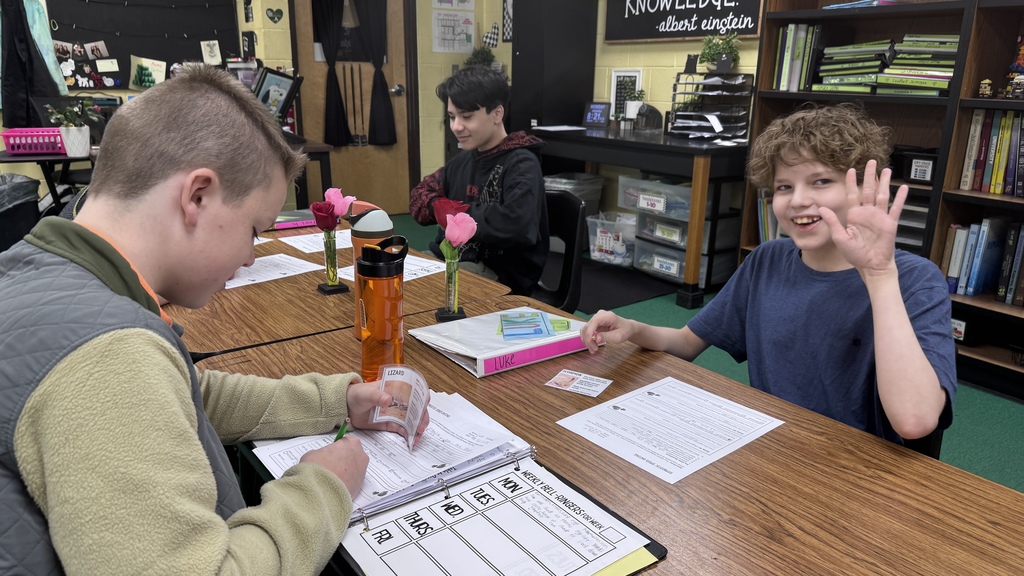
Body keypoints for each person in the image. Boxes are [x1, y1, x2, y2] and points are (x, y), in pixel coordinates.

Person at [0, 64, 429, 574]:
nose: (250, 255)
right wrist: (321, 486)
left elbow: (185, 394)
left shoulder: (44, 271)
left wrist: (337, 400)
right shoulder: (108, 356)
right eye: (253, 229)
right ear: (197, 195)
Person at [581, 103, 956, 444]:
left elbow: (914, 421)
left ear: (860, 187)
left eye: (821, 181)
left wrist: (878, 275)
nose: (797, 200)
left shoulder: (913, 280)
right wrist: (632, 329)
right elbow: (686, 342)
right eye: (783, 187)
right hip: (775, 452)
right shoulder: (768, 260)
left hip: (867, 477)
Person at [410, 65, 548, 295]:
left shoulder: (521, 163)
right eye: (452, 117)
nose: (456, 127)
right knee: (393, 273)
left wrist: (456, 214)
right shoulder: (461, 161)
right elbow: (420, 196)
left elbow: (517, 224)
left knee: (424, 291)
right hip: (454, 257)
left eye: (467, 117)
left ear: (497, 113)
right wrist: (439, 206)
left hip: (501, 273)